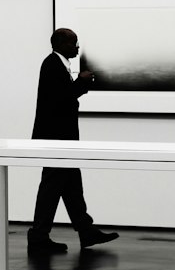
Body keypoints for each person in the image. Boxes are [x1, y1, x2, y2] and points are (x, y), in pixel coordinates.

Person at [28, 26, 119, 254]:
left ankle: (85, 231)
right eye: (72, 43)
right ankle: (39, 237)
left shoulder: (57, 65)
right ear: (59, 44)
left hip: (61, 138)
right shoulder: (52, 65)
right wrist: (81, 82)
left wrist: (80, 83)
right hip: (56, 139)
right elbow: (60, 100)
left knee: (71, 185)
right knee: (52, 186)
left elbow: (62, 98)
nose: (76, 47)